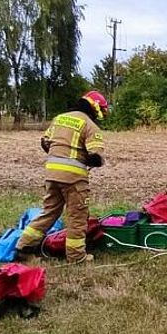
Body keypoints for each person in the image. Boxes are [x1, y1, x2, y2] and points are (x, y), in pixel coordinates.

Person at [15, 90, 108, 263]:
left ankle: (23, 245)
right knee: (77, 216)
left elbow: (45, 142)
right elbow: (95, 157)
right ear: (95, 108)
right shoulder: (89, 125)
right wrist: (93, 160)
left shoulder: (60, 118)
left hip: (51, 173)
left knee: (49, 211)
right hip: (73, 179)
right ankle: (76, 257)